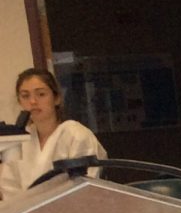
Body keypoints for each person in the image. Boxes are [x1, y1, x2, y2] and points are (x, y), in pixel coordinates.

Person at [0, 69, 105, 198]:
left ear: (56, 98)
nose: (33, 101)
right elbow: (9, 190)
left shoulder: (75, 134)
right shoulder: (18, 140)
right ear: (20, 101)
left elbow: (86, 185)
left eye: (41, 94)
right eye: (25, 96)